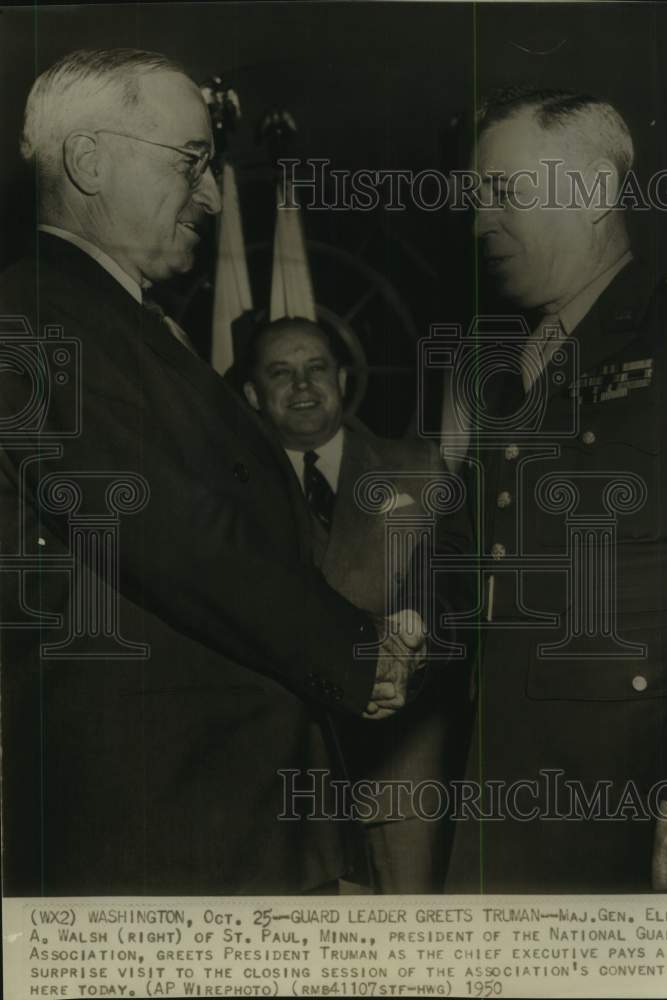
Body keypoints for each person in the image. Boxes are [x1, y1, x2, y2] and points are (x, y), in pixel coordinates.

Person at [0, 48, 424, 896]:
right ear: (88, 161)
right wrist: (350, 650)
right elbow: (172, 532)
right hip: (165, 837)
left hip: (219, 823)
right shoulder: (35, 314)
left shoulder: (118, 320)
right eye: (190, 162)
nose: (214, 195)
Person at [445, 86, 667, 893]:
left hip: (635, 794)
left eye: (503, 192)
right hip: (508, 782)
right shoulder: (512, 372)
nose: (479, 222)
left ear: (595, 191)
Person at [239, 317, 473, 892]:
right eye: (280, 373)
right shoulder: (230, 485)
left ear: (342, 380)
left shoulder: (417, 468)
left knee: (412, 933)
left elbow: (456, 586)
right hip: (282, 776)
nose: (302, 385)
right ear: (252, 394)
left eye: (316, 368)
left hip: (401, 763)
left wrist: (414, 643)